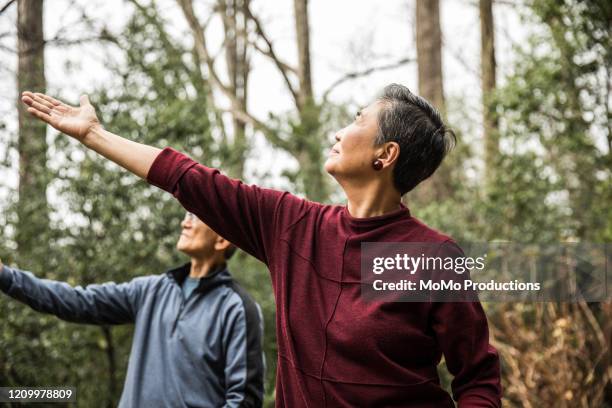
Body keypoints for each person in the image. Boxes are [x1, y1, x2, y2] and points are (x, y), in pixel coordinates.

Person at [21, 83, 502, 407]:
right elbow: (189, 179)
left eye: (357, 120)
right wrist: (94, 134)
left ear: (386, 154)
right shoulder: (294, 226)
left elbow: (477, 377)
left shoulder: (431, 257)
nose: (338, 131)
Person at [0, 212, 265, 407]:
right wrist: (6, 276)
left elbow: (243, 400)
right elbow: (77, 301)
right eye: (185, 214)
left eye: (195, 216)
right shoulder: (150, 291)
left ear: (221, 240)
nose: (185, 222)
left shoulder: (237, 308)